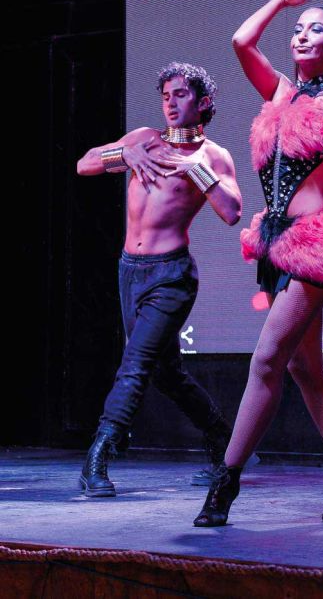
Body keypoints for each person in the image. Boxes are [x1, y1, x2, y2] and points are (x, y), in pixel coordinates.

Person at [194, 0, 323, 526]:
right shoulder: (280, 92)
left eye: (314, 30)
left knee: (267, 360)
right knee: (305, 370)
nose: (301, 36)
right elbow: (241, 41)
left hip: (317, 246)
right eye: (298, 30)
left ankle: (225, 484)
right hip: (277, 244)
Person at [77, 62, 242, 496]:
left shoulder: (212, 156)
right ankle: (223, 439)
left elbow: (232, 212)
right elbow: (84, 164)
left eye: (180, 95)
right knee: (166, 373)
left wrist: (193, 168)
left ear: (203, 102)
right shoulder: (144, 139)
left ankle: (98, 457)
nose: (170, 103)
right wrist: (123, 155)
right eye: (166, 96)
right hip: (130, 271)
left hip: (171, 275)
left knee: (134, 365)